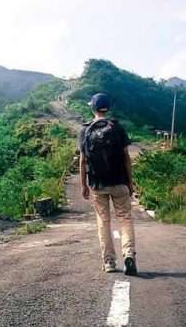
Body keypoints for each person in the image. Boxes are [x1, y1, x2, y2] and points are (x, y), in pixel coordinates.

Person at [78, 93, 137, 275]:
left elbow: (82, 161)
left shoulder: (85, 130)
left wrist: (84, 185)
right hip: (119, 181)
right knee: (125, 218)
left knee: (103, 221)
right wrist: (130, 182)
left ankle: (109, 262)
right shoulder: (118, 128)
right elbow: (127, 158)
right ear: (108, 109)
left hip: (98, 183)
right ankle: (129, 254)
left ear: (93, 108)